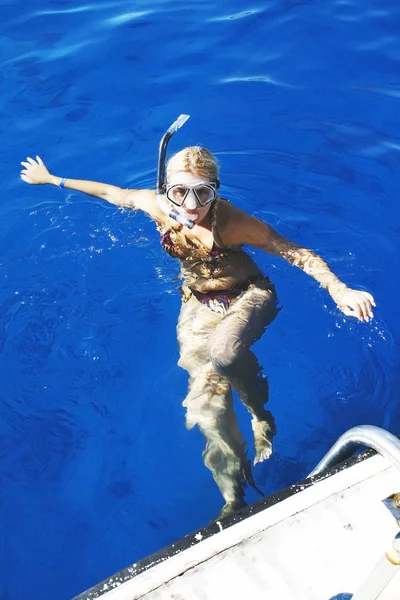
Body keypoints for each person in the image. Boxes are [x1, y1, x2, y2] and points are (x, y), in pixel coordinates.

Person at [20, 116, 375, 518]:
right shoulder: (156, 205)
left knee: (223, 352)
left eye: (203, 194)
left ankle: (262, 417)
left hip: (249, 295)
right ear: (164, 189)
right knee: (202, 403)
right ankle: (233, 498)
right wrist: (53, 180)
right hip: (197, 301)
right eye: (180, 192)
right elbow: (111, 192)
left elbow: (293, 251)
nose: (191, 206)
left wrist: (338, 288)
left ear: (215, 192)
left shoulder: (231, 221)